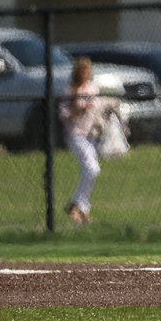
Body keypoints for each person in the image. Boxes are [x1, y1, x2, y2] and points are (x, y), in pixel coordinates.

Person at [60, 56, 105, 225]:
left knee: (93, 170)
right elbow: (63, 114)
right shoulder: (71, 90)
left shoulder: (92, 88)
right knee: (92, 169)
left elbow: (99, 106)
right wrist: (78, 109)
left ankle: (80, 207)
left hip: (91, 133)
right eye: (82, 71)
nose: (86, 74)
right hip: (76, 134)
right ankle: (78, 205)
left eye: (88, 71)